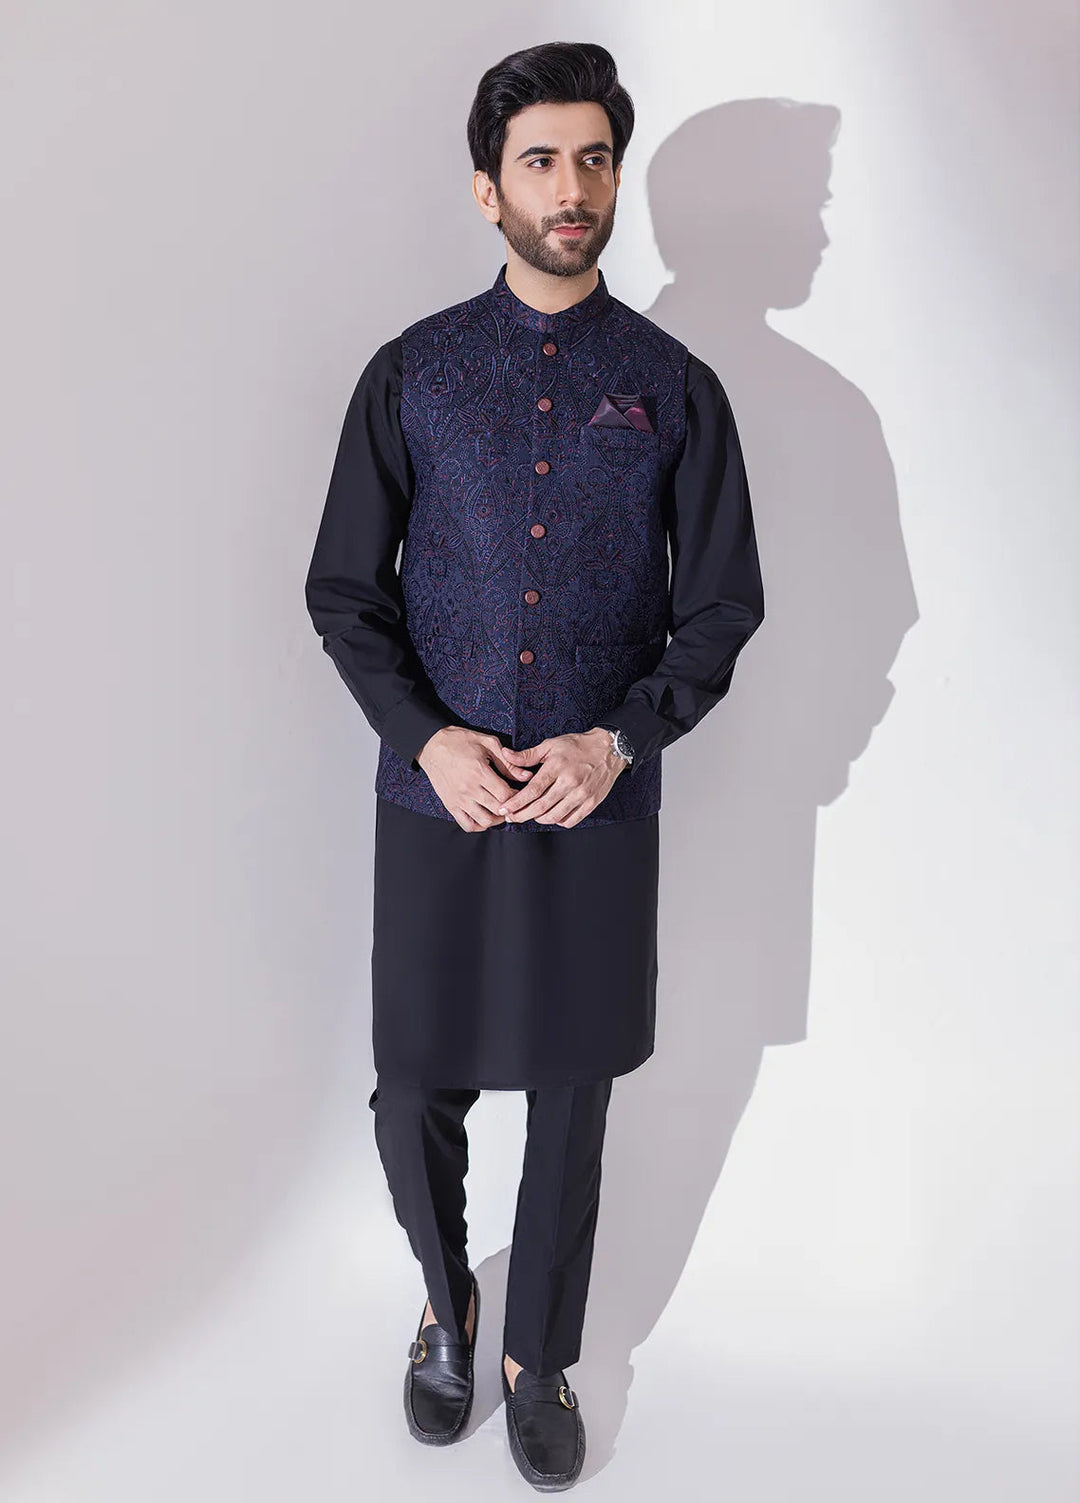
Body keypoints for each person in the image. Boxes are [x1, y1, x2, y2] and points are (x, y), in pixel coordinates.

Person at [304, 40, 765, 1492]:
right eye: (542, 161)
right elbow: (344, 592)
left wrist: (618, 739)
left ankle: (537, 1355)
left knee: (574, 1088)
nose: (572, 188)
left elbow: (723, 606)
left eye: (594, 159)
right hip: (434, 795)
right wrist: (426, 736)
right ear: (486, 189)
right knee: (414, 1079)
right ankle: (447, 1308)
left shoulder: (674, 386)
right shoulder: (413, 373)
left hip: (595, 801)